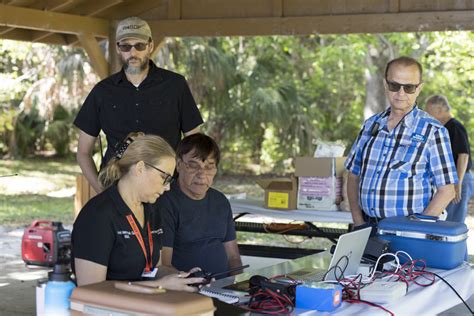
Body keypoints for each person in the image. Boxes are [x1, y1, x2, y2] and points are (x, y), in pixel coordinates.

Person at [74, 16, 203, 193]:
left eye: (139, 45)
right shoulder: (102, 91)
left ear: (150, 46)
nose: (133, 53)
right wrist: (101, 191)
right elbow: (83, 152)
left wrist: (185, 187)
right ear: (118, 48)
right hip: (118, 190)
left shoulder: (175, 85)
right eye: (126, 46)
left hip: (167, 191)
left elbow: (194, 144)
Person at [72, 132, 205, 290]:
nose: (168, 187)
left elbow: (153, 269)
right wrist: (158, 285)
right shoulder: (97, 215)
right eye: (165, 178)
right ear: (140, 168)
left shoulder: (152, 209)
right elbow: (91, 290)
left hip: (144, 306)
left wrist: (181, 278)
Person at [345, 56, 457, 228]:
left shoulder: (433, 131)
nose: (401, 93)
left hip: (408, 233)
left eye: (409, 87)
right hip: (366, 228)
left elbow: (447, 190)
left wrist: (416, 229)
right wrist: (358, 222)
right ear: (385, 84)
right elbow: (353, 176)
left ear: (419, 88)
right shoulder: (370, 125)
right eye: (394, 85)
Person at [158, 133, 242, 278]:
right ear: (178, 165)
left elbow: (233, 258)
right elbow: (163, 266)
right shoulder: (165, 202)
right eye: (193, 165)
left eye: (209, 167)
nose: (202, 174)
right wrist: (191, 283)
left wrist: (241, 287)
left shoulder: (220, 201)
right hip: (184, 292)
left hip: (223, 291)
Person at [425, 95, 472, 223]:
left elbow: (463, 155)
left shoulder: (454, 126)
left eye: (428, 110)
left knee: (452, 222)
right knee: (445, 220)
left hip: (460, 178)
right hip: (452, 180)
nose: (426, 114)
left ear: (439, 109)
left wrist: (457, 183)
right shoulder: (441, 129)